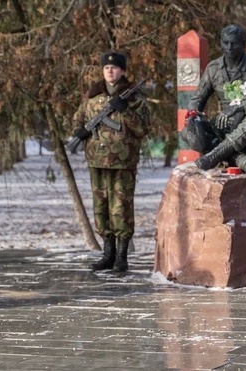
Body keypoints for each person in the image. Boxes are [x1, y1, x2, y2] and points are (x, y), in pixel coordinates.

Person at [71, 51, 150, 272]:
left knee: (121, 208)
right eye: (106, 68)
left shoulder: (133, 98)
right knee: (101, 208)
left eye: (114, 68)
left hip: (122, 161)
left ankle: (121, 257)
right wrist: (79, 130)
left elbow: (144, 129)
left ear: (123, 71)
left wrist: (125, 112)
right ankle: (108, 254)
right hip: (97, 160)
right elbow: (78, 117)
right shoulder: (93, 96)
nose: (110, 71)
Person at [181, 24, 246, 172]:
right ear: (221, 42)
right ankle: (235, 156)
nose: (229, 47)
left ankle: (212, 156)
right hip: (223, 126)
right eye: (225, 42)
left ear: (243, 45)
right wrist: (193, 114)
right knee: (188, 132)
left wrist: (236, 108)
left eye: (234, 43)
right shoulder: (213, 68)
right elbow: (197, 99)